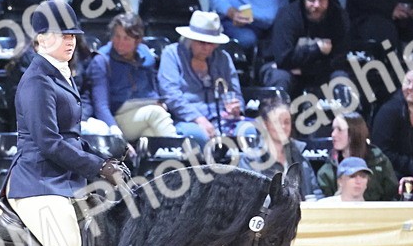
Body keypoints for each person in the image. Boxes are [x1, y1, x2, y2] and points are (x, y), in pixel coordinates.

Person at [6, 0, 128, 246]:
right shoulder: (37, 81)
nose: (70, 41)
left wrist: (103, 159)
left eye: (73, 34)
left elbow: (70, 137)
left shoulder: (60, 74)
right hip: (38, 183)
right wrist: (97, 168)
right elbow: (49, 142)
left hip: (64, 178)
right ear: (41, 39)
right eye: (61, 35)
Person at [84, 13, 177, 142]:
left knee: (150, 134)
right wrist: (115, 132)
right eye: (117, 36)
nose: (120, 43)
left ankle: (161, 160)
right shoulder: (101, 61)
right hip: (117, 118)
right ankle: (180, 151)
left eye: (126, 38)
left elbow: (153, 90)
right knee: (157, 113)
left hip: (144, 113)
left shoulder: (146, 55)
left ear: (137, 40)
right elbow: (101, 106)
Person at [157, 11, 244, 143]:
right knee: (198, 135)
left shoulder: (223, 58)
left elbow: (235, 92)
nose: (207, 48)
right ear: (191, 39)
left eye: (212, 43)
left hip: (222, 118)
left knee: (248, 130)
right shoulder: (172, 54)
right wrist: (198, 118)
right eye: (202, 42)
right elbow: (171, 94)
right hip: (187, 120)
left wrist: (237, 109)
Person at [263, 0, 349, 98]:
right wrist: (316, 50)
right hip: (283, 69)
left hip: (321, 70)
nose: (316, 5)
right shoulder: (288, 15)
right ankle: (277, 116)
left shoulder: (339, 17)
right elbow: (282, 58)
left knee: (342, 79)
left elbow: (340, 59)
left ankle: (346, 117)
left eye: (322, 0)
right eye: (311, 0)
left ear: (329, 0)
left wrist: (305, 70)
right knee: (280, 77)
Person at [238, 98, 323, 199]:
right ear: (265, 124)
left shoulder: (300, 157)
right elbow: (247, 199)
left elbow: (316, 193)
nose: (283, 126)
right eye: (277, 122)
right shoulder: (250, 160)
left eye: (287, 122)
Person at [316, 113, 397, 200]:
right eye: (333, 129)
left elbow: (392, 196)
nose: (333, 134)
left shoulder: (379, 162)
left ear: (355, 132)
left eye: (339, 129)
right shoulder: (326, 172)